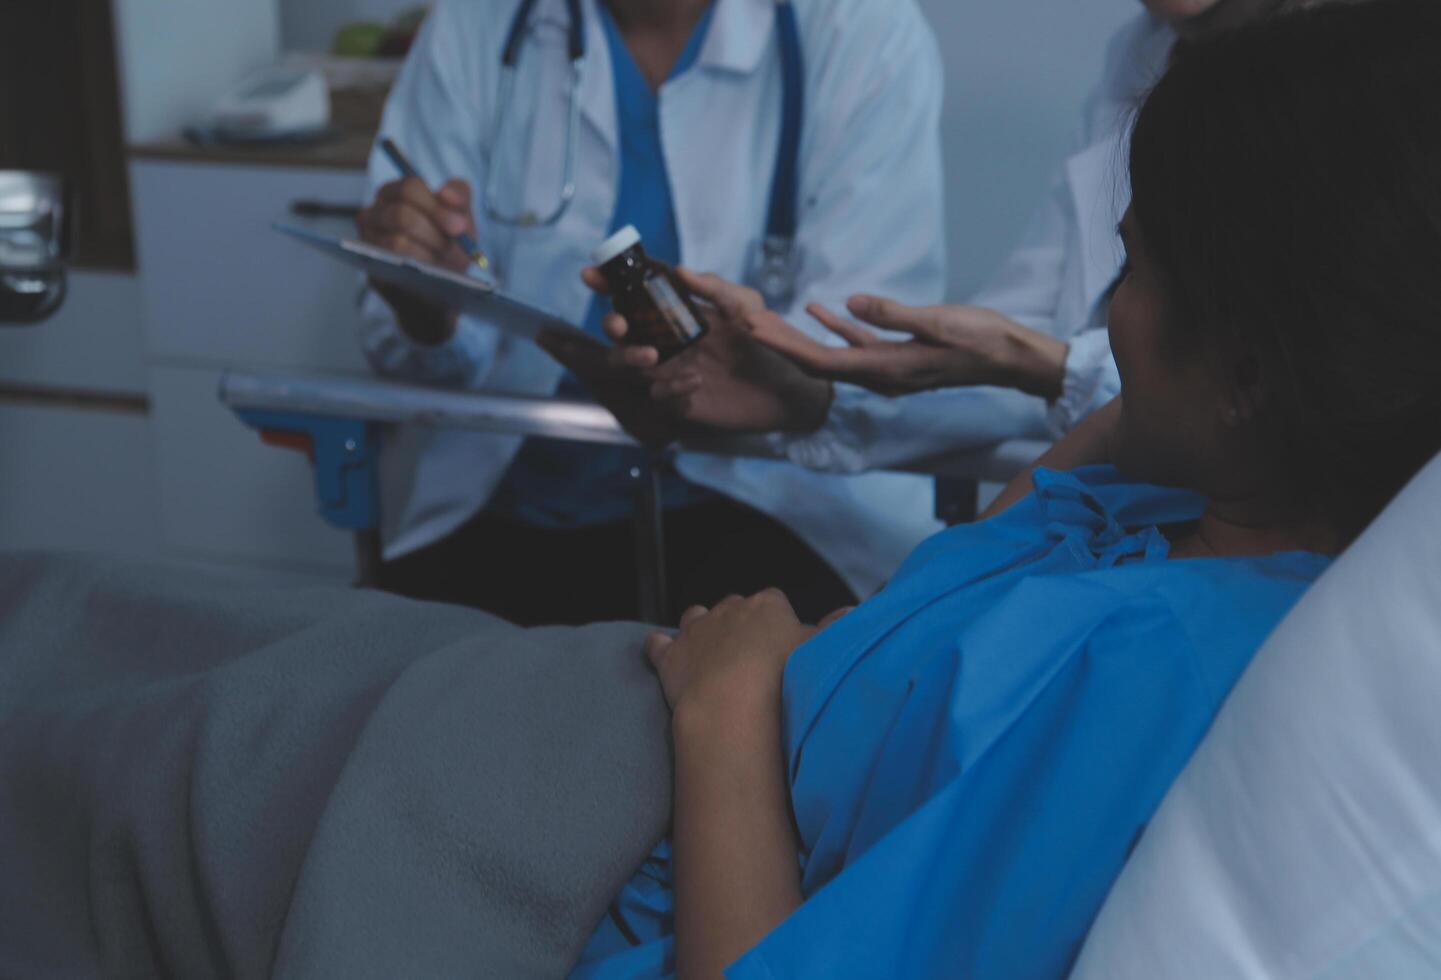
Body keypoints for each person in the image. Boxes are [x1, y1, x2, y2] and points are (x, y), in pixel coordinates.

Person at [571, 1, 1441, 975]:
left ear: (1242, 378)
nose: (1101, 317)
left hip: (610, 836)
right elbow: (1101, 418)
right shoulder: (1152, 499)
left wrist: (728, 712)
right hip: (598, 739)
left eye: (1130, 272)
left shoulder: (1146, 677)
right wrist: (810, 387)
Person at [353, 0, 947, 625]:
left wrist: (763, 379)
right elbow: (413, 343)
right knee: (409, 696)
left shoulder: (862, 33)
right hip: (508, 501)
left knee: (735, 706)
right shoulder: (478, 23)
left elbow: (863, 354)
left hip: (769, 502)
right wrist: (431, 308)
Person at [591, 0, 1307, 476]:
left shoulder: (1390, 91)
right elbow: (1022, 339)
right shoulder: (1142, 57)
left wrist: (1040, 362)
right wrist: (808, 390)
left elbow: (1293, 396)